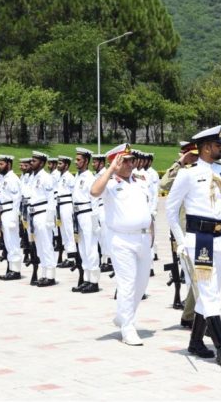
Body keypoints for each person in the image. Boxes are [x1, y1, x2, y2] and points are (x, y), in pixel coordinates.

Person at [166, 126, 221, 367]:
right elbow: (171, 210)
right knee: (207, 293)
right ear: (206, 147)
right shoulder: (188, 173)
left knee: (212, 292)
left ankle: (196, 342)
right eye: (218, 145)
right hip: (199, 240)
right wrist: (181, 241)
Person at [91, 144, 153, 346]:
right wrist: (110, 170)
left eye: (131, 160)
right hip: (122, 239)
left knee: (141, 283)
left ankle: (123, 315)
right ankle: (128, 327)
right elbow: (94, 191)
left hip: (143, 238)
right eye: (125, 160)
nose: (130, 163)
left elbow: (147, 208)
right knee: (127, 283)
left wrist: (151, 232)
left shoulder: (140, 180)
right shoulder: (109, 183)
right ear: (115, 163)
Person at [160, 141, 200, 328]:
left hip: (201, 228)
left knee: (198, 274)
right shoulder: (181, 171)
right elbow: (164, 183)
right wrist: (180, 162)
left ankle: (191, 313)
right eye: (190, 154)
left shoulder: (201, 170)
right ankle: (191, 314)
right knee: (192, 273)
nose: (194, 157)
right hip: (182, 230)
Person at [71, 148, 100, 293]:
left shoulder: (90, 177)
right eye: (76, 160)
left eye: (79, 160)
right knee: (82, 248)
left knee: (91, 247)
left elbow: (94, 199)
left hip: (88, 214)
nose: (76, 162)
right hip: (78, 214)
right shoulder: (78, 176)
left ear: (86, 161)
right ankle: (87, 278)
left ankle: (94, 281)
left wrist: (95, 221)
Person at [28, 151, 58, 287]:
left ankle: (50, 276)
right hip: (34, 214)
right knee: (40, 246)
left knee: (46, 245)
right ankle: (44, 273)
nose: (31, 163)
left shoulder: (46, 177)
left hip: (43, 213)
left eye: (34, 161)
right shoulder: (33, 177)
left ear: (41, 163)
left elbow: (52, 199)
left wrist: (50, 219)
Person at [0, 155, 23, 281]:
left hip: (10, 212)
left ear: (8, 164)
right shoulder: (4, 178)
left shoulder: (12, 179)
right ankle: (11, 268)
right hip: (4, 212)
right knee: (8, 242)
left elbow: (17, 199)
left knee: (13, 242)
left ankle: (16, 270)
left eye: (1, 164)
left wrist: (13, 217)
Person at [92, 153, 113, 273]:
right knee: (101, 235)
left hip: (104, 207)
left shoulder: (106, 175)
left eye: (95, 162)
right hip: (98, 208)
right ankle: (104, 260)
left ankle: (108, 260)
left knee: (105, 235)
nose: (93, 164)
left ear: (101, 163)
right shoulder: (97, 175)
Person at [55, 156, 77, 268]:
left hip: (67, 205)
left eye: (60, 164)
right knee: (63, 232)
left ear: (66, 165)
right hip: (60, 205)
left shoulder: (69, 177)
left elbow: (74, 193)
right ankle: (68, 255)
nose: (58, 165)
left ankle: (72, 258)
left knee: (69, 232)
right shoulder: (60, 177)